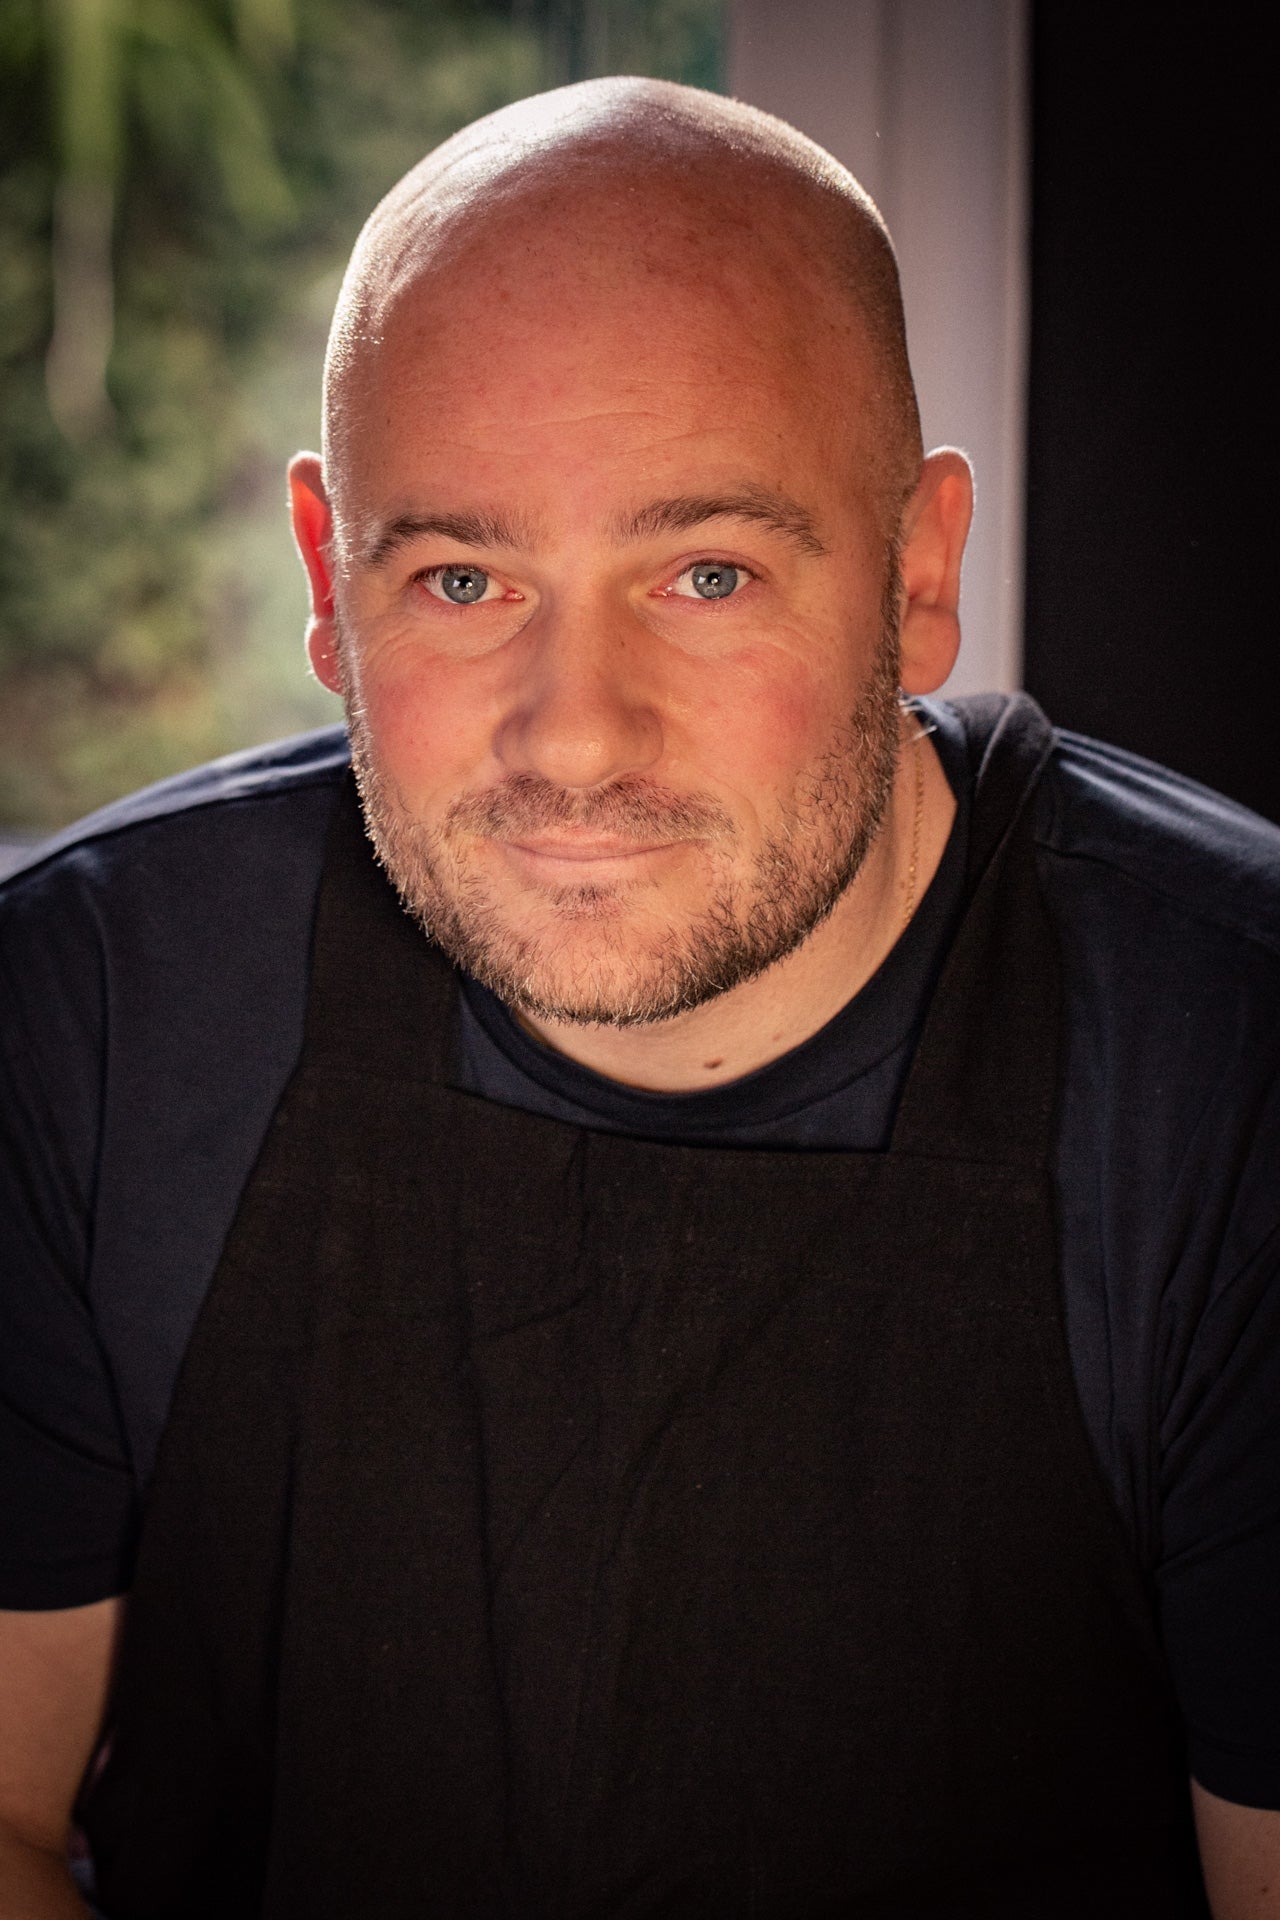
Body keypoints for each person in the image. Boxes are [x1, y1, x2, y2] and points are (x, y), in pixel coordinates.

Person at [1, 76, 1278, 1919]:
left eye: (705, 574)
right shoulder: (89, 1014)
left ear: (918, 573)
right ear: (328, 585)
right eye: (462, 579)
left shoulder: (1232, 1078)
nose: (577, 738)